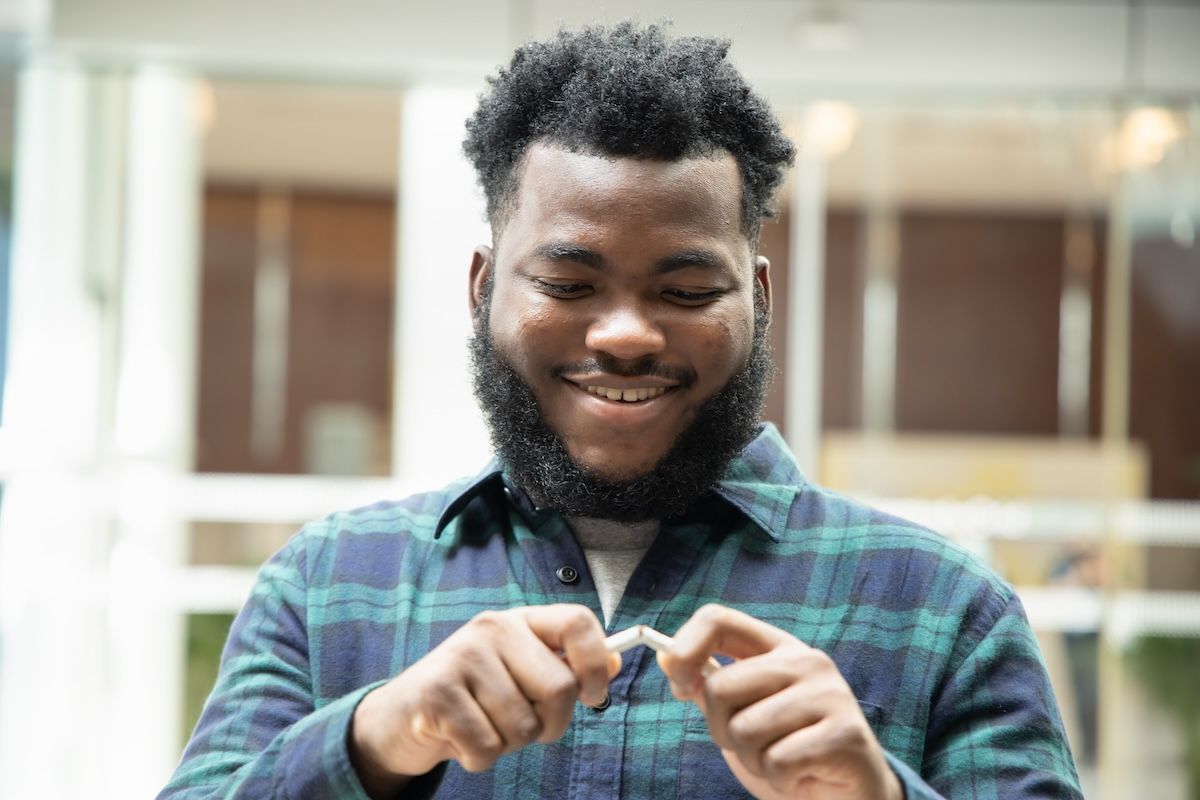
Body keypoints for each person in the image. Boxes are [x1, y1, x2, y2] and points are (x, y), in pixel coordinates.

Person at [159, 22, 1082, 800]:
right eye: (568, 281)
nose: (628, 334)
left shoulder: (945, 609)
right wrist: (381, 735)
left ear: (757, 299)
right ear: (484, 287)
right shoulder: (325, 588)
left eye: (685, 290)